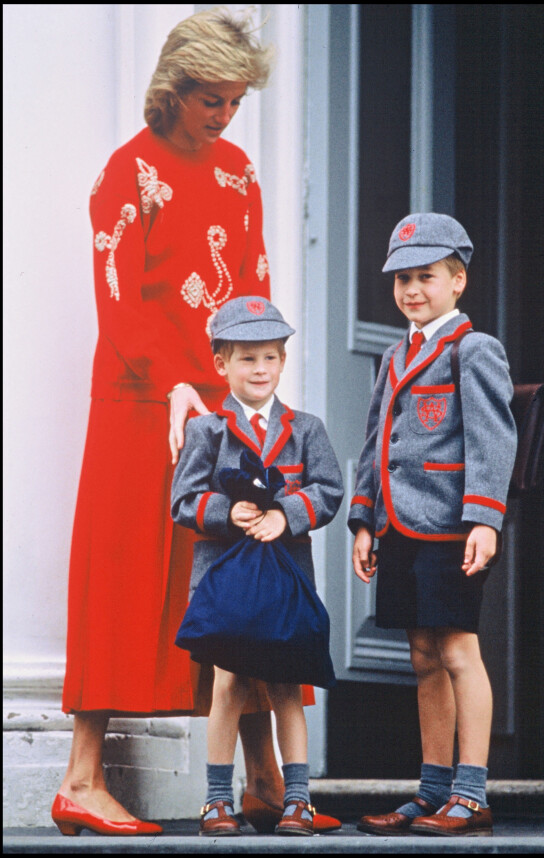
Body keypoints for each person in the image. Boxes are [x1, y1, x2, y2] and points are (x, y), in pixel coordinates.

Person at [52, 6, 339, 838]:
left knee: (245, 573)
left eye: (234, 102)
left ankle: (262, 782)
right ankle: (79, 779)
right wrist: (178, 385)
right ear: (173, 90)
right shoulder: (125, 173)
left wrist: (245, 387)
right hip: (142, 408)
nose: (223, 115)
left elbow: (250, 284)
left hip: (221, 407)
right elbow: (119, 305)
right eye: (211, 99)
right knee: (126, 577)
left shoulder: (241, 172)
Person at [349, 213, 518, 837]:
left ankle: (471, 793)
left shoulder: (474, 349)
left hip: (452, 526)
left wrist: (485, 519)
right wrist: (364, 520)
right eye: (401, 280)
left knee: (455, 649)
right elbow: (375, 445)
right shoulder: (397, 354)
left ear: (457, 281)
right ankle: (433, 789)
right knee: (422, 656)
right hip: (400, 526)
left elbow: (492, 439)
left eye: (425, 277)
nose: (411, 291)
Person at [170, 296, 344, 836]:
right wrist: (229, 511)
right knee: (229, 684)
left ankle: (297, 801)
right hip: (227, 583)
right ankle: (218, 800)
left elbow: (330, 490)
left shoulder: (305, 428)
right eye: (247, 359)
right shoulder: (208, 431)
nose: (260, 369)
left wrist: (287, 515)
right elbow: (183, 501)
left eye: (270, 357)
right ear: (221, 363)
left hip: (284, 579)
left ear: (283, 361)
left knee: (287, 686)